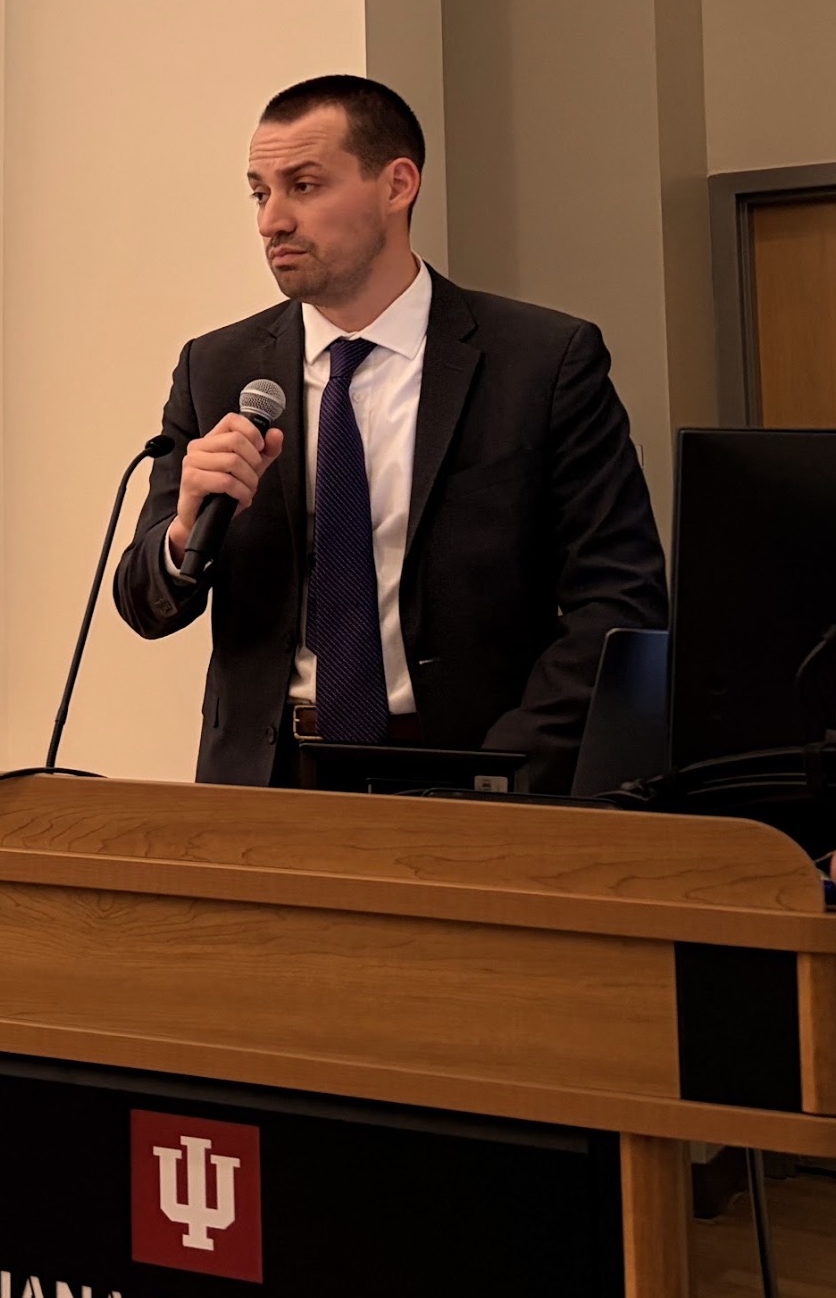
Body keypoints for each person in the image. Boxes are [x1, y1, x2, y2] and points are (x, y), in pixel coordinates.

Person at [111, 75, 667, 792]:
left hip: (474, 777)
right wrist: (186, 532)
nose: (270, 221)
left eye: (303, 186)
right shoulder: (217, 369)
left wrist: (512, 771)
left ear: (397, 184)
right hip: (268, 781)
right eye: (259, 192)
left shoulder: (541, 364)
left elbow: (619, 601)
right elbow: (144, 605)